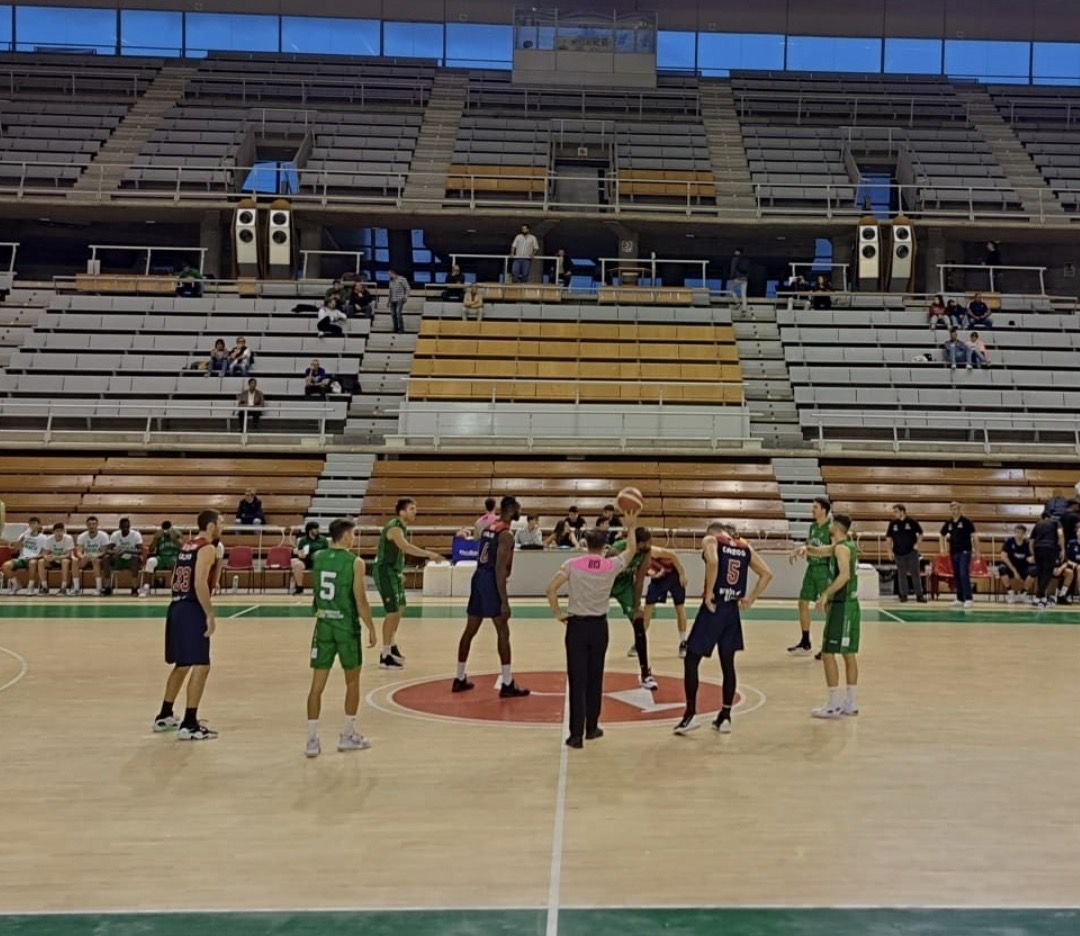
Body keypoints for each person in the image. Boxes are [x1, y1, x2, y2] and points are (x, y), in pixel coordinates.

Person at [546, 513, 640, 749]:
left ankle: (575, 735)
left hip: (576, 626)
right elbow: (632, 550)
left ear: (586, 544)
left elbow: (551, 589)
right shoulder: (611, 565)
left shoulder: (571, 565)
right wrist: (631, 527)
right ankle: (592, 728)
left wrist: (558, 614)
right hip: (599, 627)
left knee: (577, 680)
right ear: (604, 546)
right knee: (595, 678)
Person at [674, 522, 773, 735]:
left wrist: (709, 592)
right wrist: (751, 599)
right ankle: (725, 716)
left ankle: (690, 714)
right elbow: (766, 573)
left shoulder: (711, 540)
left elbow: (712, 561)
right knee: (728, 664)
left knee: (691, 659)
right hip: (732, 611)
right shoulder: (744, 546)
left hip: (714, 608)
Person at [306, 518, 377, 757]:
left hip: (323, 625)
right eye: (353, 534)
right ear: (346, 536)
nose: (354, 538)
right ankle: (347, 735)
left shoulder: (318, 558)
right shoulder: (355, 562)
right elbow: (361, 601)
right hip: (346, 627)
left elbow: (316, 592)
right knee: (352, 682)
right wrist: (371, 627)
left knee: (316, 687)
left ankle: (312, 740)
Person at [153, 510, 221, 741]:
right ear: (211, 526)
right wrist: (209, 613)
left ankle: (164, 714)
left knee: (183, 664)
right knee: (202, 665)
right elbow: (200, 582)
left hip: (176, 605)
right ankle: (189, 723)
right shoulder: (207, 548)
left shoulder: (187, 546)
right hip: (192, 607)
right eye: (220, 523)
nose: (222, 526)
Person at [453, 496, 531, 697]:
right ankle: (507, 683)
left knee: (470, 629)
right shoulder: (505, 534)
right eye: (518, 507)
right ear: (511, 509)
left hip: (478, 576)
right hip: (490, 579)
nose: (520, 510)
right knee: (503, 631)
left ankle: (459, 677)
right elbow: (499, 569)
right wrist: (504, 601)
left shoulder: (490, 527)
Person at [372, 498, 444, 670]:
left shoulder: (402, 526)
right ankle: (384, 654)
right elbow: (405, 547)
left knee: (401, 607)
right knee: (392, 612)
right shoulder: (395, 527)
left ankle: (392, 643)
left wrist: (399, 570)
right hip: (384, 572)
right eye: (412, 509)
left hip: (393, 572)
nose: (415, 511)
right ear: (402, 512)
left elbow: (397, 552)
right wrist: (429, 554)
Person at [811, 514, 861, 719]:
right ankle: (851, 702)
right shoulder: (846, 545)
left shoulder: (841, 548)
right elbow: (824, 550)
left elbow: (844, 575)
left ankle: (833, 704)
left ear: (836, 527)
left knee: (828, 653)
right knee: (849, 654)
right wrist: (806, 549)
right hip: (852, 606)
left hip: (842, 607)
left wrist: (825, 594)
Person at [608, 527, 658, 691]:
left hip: (625, 586)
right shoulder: (618, 548)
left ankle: (645, 673)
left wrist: (637, 605)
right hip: (607, 582)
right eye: (646, 542)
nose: (650, 545)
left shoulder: (646, 553)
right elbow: (603, 571)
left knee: (639, 622)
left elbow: (640, 579)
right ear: (637, 542)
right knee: (594, 620)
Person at [788, 497, 833, 657]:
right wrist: (802, 549)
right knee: (802, 603)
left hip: (825, 570)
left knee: (827, 608)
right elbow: (810, 544)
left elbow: (834, 549)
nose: (812, 510)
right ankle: (805, 642)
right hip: (812, 568)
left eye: (815, 507)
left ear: (823, 510)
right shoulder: (813, 526)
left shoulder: (832, 528)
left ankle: (828, 644)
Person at [642, 541, 691, 658]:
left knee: (679, 607)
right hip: (658, 580)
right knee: (648, 607)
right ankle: (640, 641)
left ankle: (683, 642)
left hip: (673, 576)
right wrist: (652, 575)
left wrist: (682, 574)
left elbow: (672, 555)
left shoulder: (653, 551)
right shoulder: (635, 556)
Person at [940, 501, 977, 608]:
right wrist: (943, 548)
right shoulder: (949, 523)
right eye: (952, 509)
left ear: (960, 509)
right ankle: (960, 598)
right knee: (956, 575)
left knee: (963, 573)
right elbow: (942, 535)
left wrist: (977, 550)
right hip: (953, 552)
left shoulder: (966, 522)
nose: (954, 511)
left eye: (956, 509)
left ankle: (968, 598)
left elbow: (974, 536)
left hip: (965, 551)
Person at [886, 504, 925, 603]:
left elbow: (921, 533)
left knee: (915, 573)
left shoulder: (912, 522)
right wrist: (889, 551)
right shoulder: (893, 524)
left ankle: (919, 595)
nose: (895, 514)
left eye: (896, 511)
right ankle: (903, 595)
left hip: (911, 552)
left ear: (902, 511)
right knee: (901, 574)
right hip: (898, 552)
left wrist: (917, 544)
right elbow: (888, 538)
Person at [2, 516, 48, 594]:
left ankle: (30, 586)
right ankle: (16, 584)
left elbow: (43, 553)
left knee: (32, 563)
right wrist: (22, 538)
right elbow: (16, 549)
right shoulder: (24, 535)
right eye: (30, 524)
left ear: (39, 525)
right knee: (5, 566)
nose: (32, 525)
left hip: (34, 559)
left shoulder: (43, 538)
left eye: (34, 523)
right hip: (22, 558)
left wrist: (37, 556)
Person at [1031, 511, 1064, 611]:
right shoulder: (1056, 522)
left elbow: (1031, 541)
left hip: (1038, 548)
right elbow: (1060, 534)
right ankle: (1041, 597)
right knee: (1048, 573)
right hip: (1050, 548)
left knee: (1040, 573)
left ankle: (1039, 597)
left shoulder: (1038, 524)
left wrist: (1033, 553)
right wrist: (1062, 549)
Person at [140, 520, 182, 597]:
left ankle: (175, 588)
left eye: (168, 529)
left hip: (173, 557)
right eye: (164, 529)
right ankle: (146, 587)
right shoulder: (159, 535)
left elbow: (182, 547)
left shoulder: (176, 533)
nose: (166, 531)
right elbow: (151, 549)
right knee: (150, 561)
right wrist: (155, 539)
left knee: (176, 563)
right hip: (161, 557)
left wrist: (174, 539)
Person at [74, 515, 111, 595]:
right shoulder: (82, 536)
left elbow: (105, 551)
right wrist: (82, 556)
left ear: (97, 525)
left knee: (96, 561)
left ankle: (99, 588)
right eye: (89, 524)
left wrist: (96, 556)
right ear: (87, 525)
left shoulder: (103, 535)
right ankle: (76, 588)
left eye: (93, 524)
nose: (91, 526)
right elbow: (79, 551)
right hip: (86, 558)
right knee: (75, 562)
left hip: (98, 558)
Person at [291, 520, 328, 596]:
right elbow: (300, 551)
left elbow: (327, 552)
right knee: (297, 564)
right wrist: (301, 554)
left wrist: (319, 553)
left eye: (318, 528)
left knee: (319, 562)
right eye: (315, 529)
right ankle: (299, 588)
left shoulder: (323, 540)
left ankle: (317, 588)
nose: (318, 530)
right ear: (310, 530)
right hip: (306, 560)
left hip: (318, 560)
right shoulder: (303, 540)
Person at [998, 524, 1034, 604]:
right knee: (1001, 568)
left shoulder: (1028, 543)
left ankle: (1023, 593)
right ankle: (1011, 593)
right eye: (1017, 532)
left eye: (1021, 533)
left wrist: (1032, 559)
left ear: (1024, 534)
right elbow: (1003, 557)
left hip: (1023, 567)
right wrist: (1014, 571)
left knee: (1034, 570)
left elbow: (1030, 558)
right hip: (1011, 567)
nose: (1019, 535)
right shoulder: (1009, 542)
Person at [108, 518, 144, 597]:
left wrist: (126, 551)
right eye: (123, 527)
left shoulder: (136, 534)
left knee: (136, 559)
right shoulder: (115, 534)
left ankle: (134, 588)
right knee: (106, 559)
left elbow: (141, 550)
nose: (125, 528)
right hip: (119, 558)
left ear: (129, 527)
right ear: (119, 527)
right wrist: (116, 552)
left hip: (132, 558)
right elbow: (108, 550)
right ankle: (107, 587)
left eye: (127, 527)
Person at [41, 522, 75, 596]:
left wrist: (56, 557)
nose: (59, 533)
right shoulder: (49, 539)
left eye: (61, 531)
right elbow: (44, 553)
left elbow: (68, 554)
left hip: (65, 559)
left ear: (64, 531)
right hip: (53, 559)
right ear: (53, 532)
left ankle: (63, 587)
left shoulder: (68, 538)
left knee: (65, 562)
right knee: (41, 562)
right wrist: (46, 557)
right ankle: (44, 587)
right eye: (57, 531)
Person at [388, 268, 410, 334]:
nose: (389, 275)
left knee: (398, 313)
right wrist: (388, 301)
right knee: (393, 314)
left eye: (389, 274)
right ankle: (395, 328)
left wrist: (405, 297)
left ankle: (401, 328)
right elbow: (390, 292)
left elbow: (408, 288)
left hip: (400, 299)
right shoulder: (391, 281)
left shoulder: (402, 279)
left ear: (393, 273)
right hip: (393, 300)